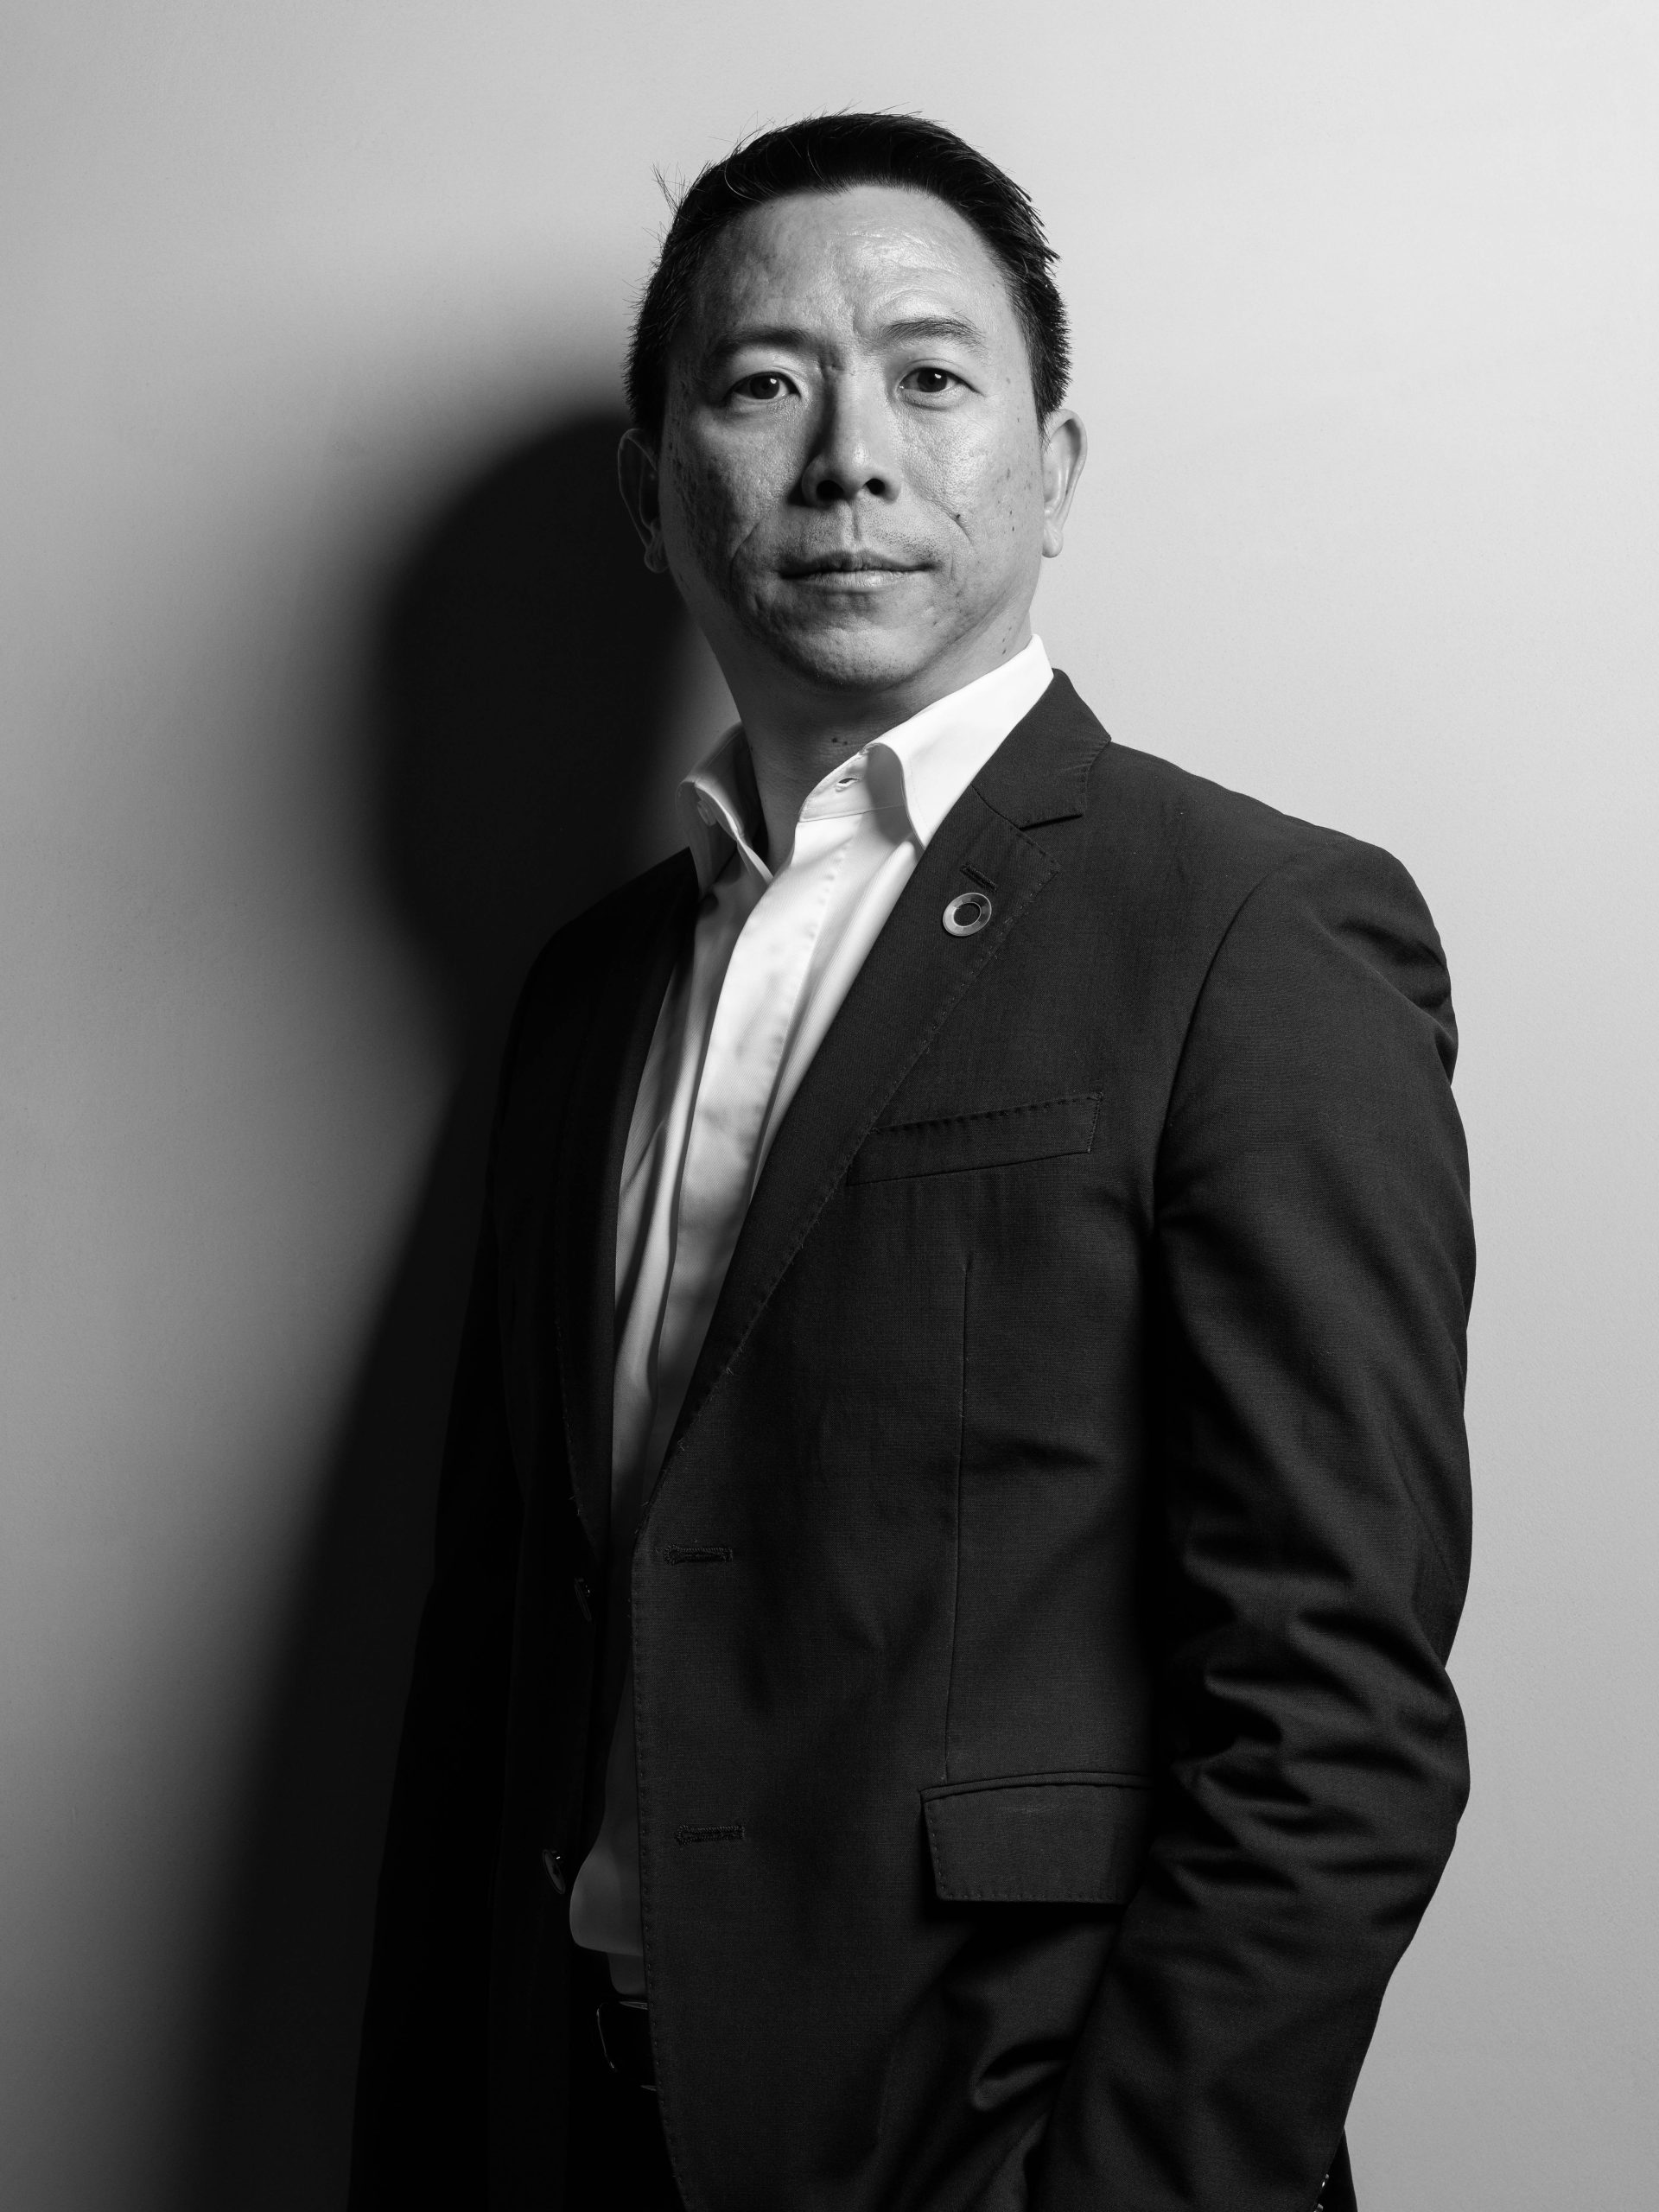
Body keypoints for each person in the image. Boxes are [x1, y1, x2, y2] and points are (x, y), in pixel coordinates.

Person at [349, 113, 1473, 2212]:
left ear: (1053, 467)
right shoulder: (588, 990)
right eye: (764, 383)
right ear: (652, 488)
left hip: (989, 2139)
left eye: (931, 376)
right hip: (577, 2124)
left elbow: (1335, 1715)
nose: (850, 456)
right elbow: (499, 1632)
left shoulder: (1252, 930)